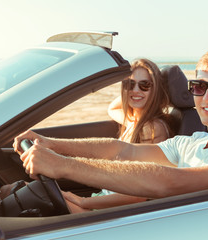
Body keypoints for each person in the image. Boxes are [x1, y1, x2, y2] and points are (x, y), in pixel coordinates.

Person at [14, 46, 208, 213]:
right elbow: (121, 150)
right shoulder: (192, 142)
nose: (207, 98)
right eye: (199, 86)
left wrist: (63, 166)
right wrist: (50, 143)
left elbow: (169, 182)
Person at [63, 59, 174, 211]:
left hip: (115, 210)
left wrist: (84, 202)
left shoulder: (152, 129)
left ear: (156, 90)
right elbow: (112, 108)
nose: (136, 90)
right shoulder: (133, 121)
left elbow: (140, 193)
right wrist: (131, 92)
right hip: (106, 198)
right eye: (130, 84)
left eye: (144, 85)